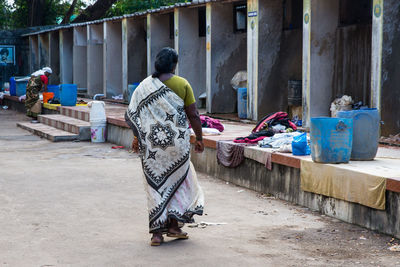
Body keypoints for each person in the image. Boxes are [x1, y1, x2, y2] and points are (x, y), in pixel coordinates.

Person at [125, 47, 204, 246]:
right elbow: (193, 114)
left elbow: (133, 115)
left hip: (152, 147)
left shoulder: (144, 86)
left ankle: (157, 234)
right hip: (177, 144)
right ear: (174, 65)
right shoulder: (183, 84)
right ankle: (174, 226)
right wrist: (200, 138)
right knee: (177, 183)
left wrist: (137, 137)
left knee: (155, 187)